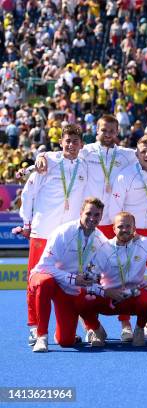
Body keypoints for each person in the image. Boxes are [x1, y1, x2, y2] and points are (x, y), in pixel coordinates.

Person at [18, 124, 88, 344]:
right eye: (67, 141)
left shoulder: (84, 167)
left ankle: (64, 328)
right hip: (42, 231)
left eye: (75, 142)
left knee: (68, 283)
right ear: (61, 142)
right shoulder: (47, 162)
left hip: (67, 237)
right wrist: (27, 223)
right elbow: (28, 193)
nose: (71, 145)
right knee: (36, 281)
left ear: (81, 145)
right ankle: (34, 325)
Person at [29, 198, 109, 352]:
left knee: (66, 341)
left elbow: (105, 268)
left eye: (97, 215)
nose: (92, 218)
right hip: (49, 278)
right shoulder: (63, 232)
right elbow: (44, 266)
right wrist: (71, 278)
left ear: (101, 216)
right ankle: (41, 337)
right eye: (88, 213)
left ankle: (90, 328)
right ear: (80, 213)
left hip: (71, 289)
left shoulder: (100, 240)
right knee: (45, 282)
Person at [75, 212, 147, 347]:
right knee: (80, 298)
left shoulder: (145, 243)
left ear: (134, 228)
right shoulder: (103, 249)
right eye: (120, 226)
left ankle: (139, 330)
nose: (124, 229)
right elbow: (88, 281)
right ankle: (97, 330)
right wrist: (105, 292)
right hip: (109, 298)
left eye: (128, 226)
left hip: (133, 297)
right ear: (113, 229)